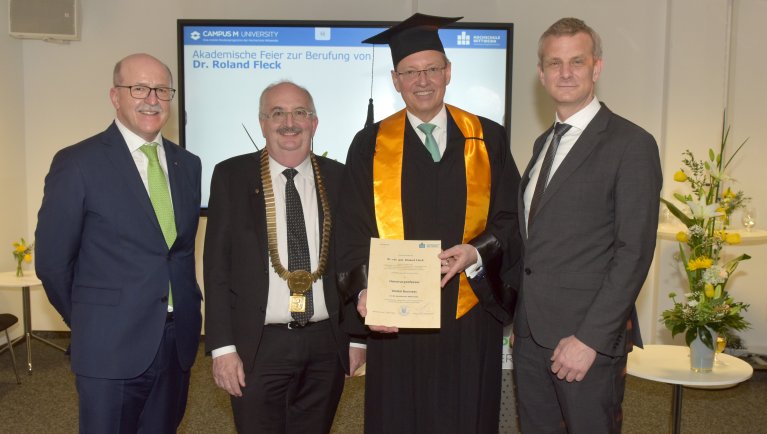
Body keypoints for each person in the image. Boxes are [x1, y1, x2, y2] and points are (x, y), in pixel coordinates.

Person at [335, 13, 522, 434]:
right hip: (396, 320)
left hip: (469, 312)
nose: (423, 80)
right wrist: (365, 291)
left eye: (432, 69)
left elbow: (512, 217)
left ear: (448, 72)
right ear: (395, 79)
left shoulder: (487, 138)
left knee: (467, 416)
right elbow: (350, 229)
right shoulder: (370, 145)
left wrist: (478, 251)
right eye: (410, 72)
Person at [35, 53, 202, 433]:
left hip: (176, 341)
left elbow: (177, 253)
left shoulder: (187, 164)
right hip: (108, 344)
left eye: (162, 89)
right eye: (139, 88)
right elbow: (52, 262)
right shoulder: (78, 162)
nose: (152, 98)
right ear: (115, 96)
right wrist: (91, 319)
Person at [512, 17, 662, 433]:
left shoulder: (631, 145)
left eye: (576, 61)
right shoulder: (544, 144)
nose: (565, 72)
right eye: (554, 63)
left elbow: (633, 252)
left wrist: (590, 339)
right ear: (541, 74)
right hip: (530, 339)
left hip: (584, 344)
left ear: (596, 67)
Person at [204, 81, 364, 433]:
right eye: (277, 113)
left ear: (314, 123)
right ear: (263, 123)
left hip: (326, 343)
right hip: (257, 345)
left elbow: (353, 259)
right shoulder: (231, 176)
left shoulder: (339, 179)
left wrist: (356, 337)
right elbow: (216, 268)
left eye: (300, 113)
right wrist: (221, 347)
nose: (289, 122)